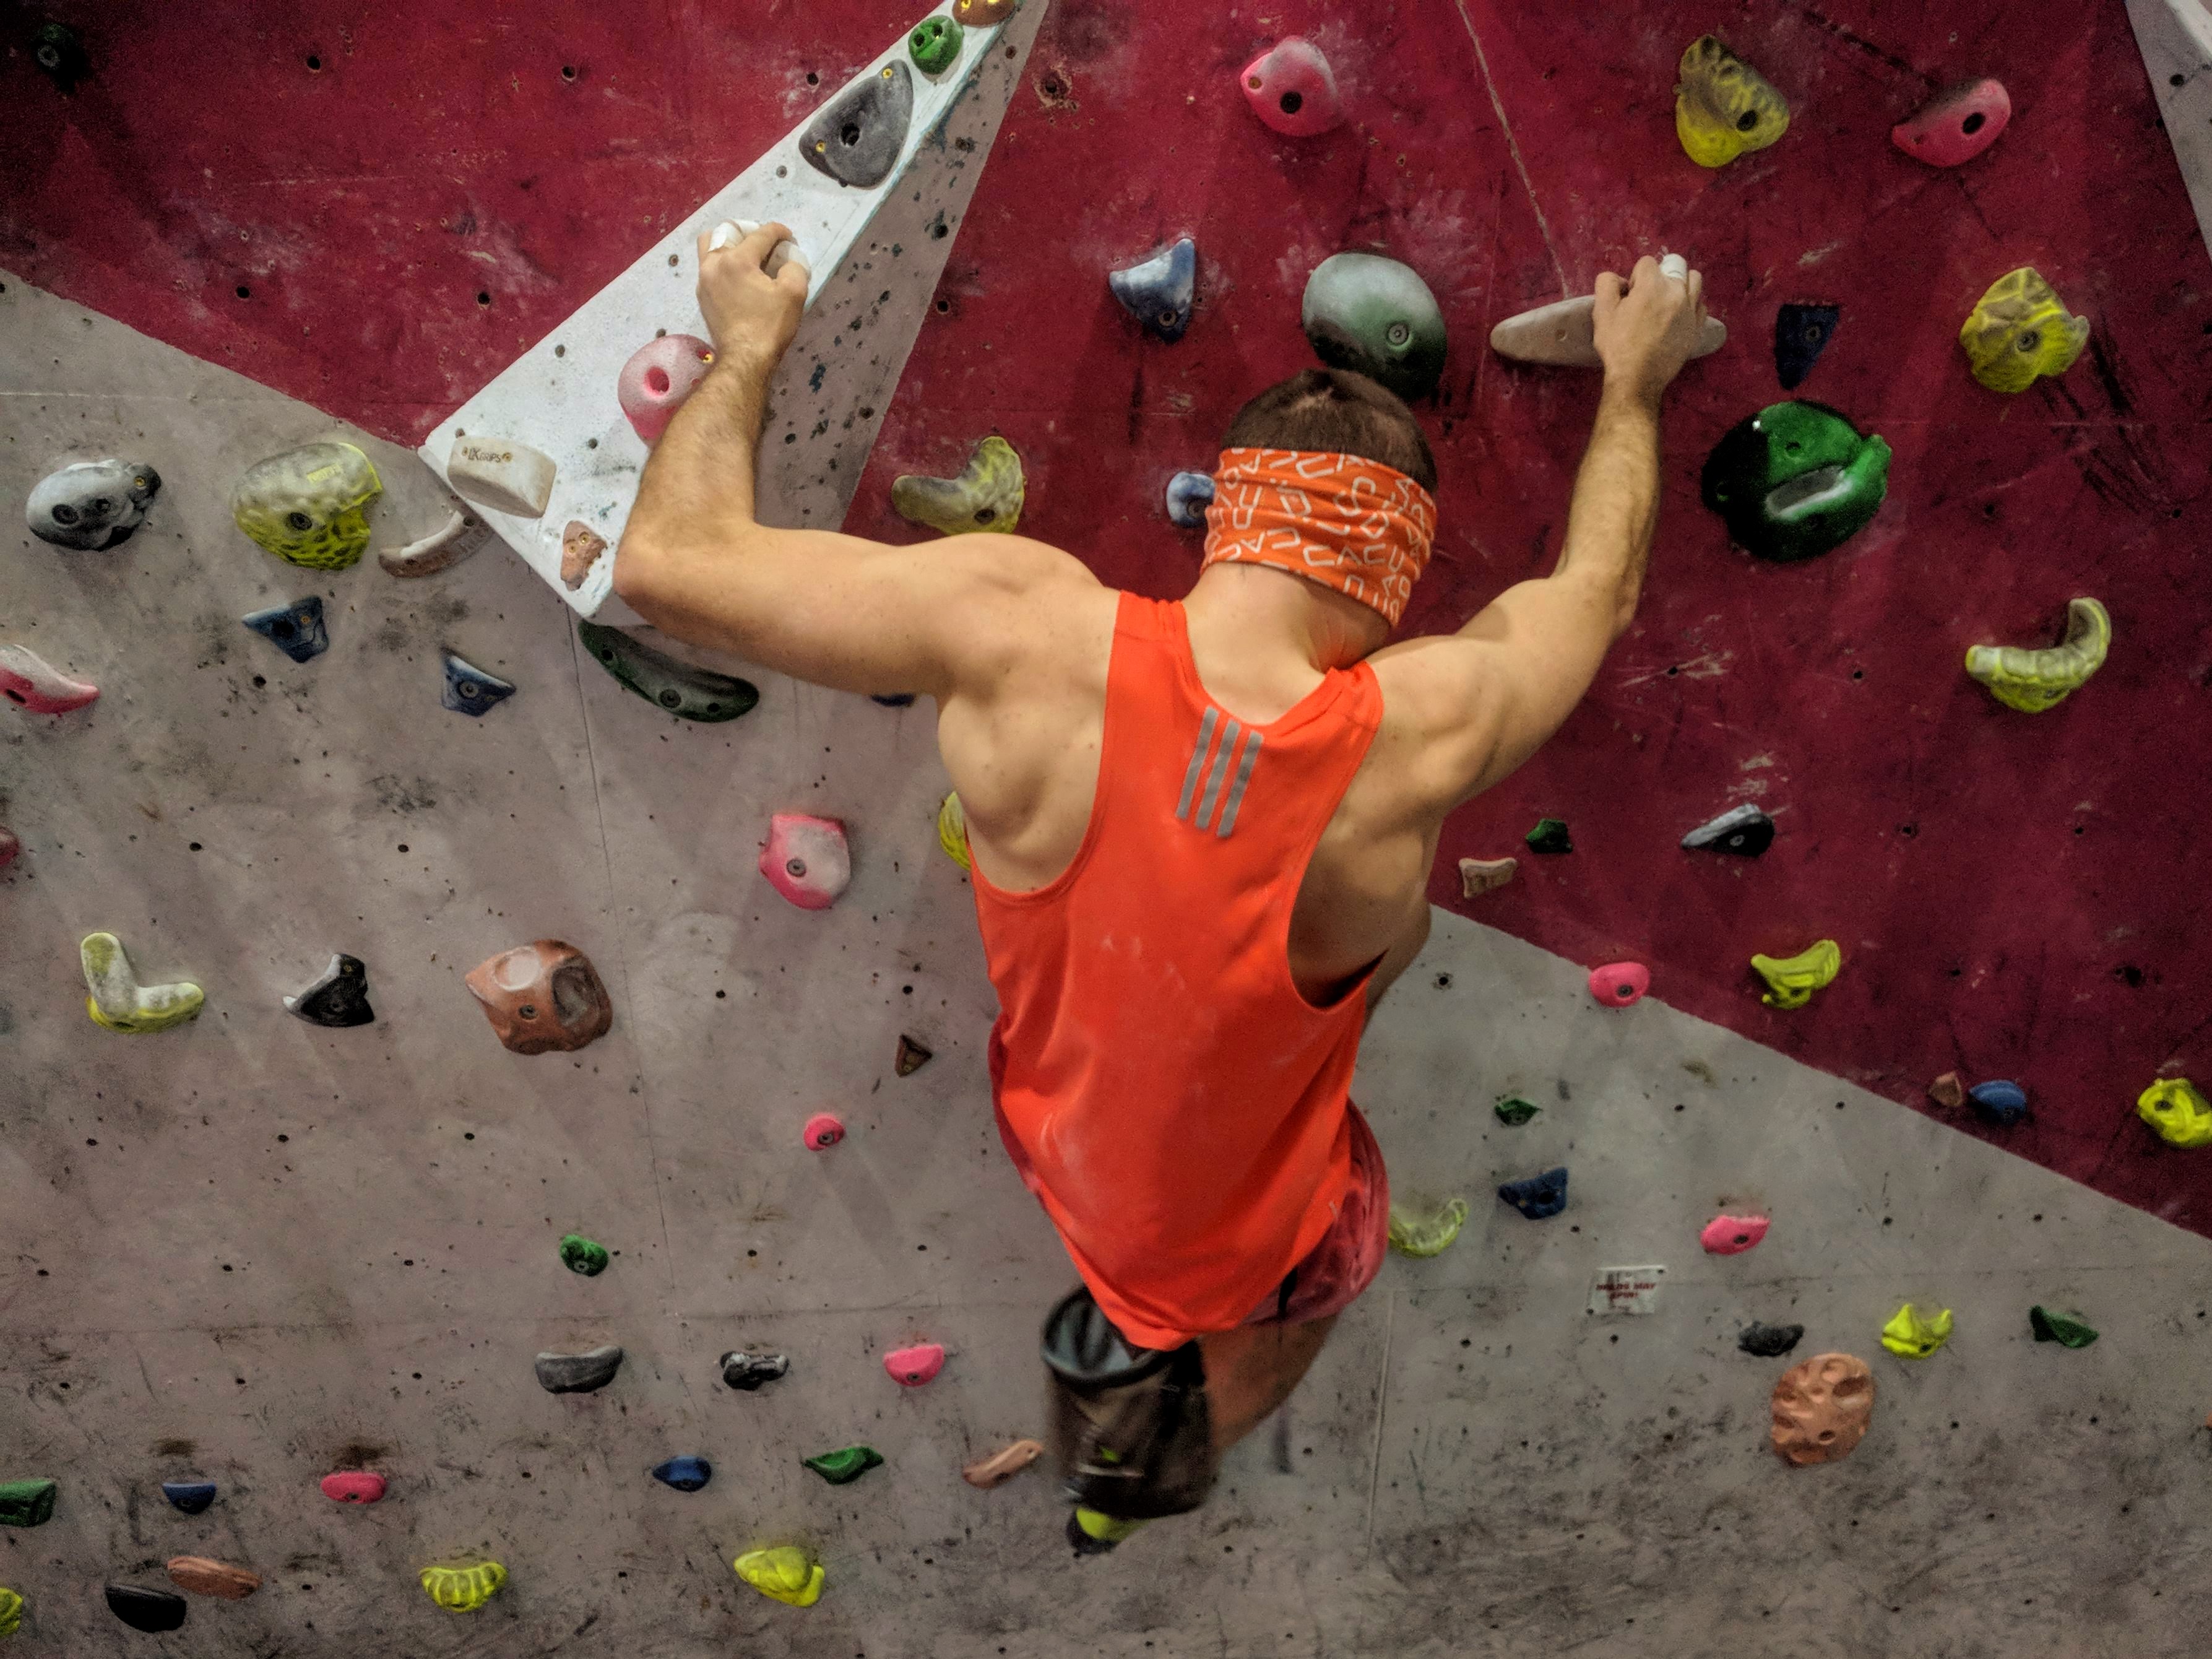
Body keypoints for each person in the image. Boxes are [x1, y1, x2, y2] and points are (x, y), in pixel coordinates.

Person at [618, 224, 1709, 1551]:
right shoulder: (1421, 728)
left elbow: (668, 568)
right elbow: (1595, 588)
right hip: (1226, 1240)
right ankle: (1146, 1460)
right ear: (1394, 575)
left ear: (1229, 516)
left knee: (1368, 933)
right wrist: (1634, 382)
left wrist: (746, 344)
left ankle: (1128, 1425)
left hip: (1061, 1135)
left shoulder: (1021, 627)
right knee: (1335, 1215)